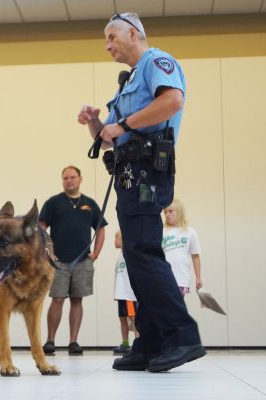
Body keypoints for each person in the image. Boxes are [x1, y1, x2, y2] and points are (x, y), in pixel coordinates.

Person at [77, 12, 205, 372]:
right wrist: (95, 124)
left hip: (149, 173)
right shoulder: (127, 82)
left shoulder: (157, 62)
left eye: (112, 37)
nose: (107, 45)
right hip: (129, 174)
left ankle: (182, 336)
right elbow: (108, 140)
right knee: (137, 258)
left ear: (133, 33)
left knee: (145, 253)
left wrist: (124, 125)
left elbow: (172, 103)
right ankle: (149, 342)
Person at [39, 165, 107, 355]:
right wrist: (48, 253)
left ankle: (73, 341)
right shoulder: (53, 203)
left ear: (80, 179)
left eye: (72, 177)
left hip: (83, 261)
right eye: (65, 178)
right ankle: (50, 341)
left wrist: (96, 253)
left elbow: (101, 229)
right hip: (58, 263)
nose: (69, 181)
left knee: (77, 300)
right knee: (57, 299)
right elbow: (41, 229)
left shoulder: (89, 203)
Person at [162, 199, 203, 297]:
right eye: (165, 212)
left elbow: (195, 256)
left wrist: (198, 277)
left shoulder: (190, 232)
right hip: (164, 277)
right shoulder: (161, 231)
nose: (167, 214)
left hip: (182, 278)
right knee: (166, 307)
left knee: (178, 307)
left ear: (179, 212)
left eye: (170, 211)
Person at [112, 231, 138, 354]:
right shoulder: (120, 256)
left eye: (116, 239)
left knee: (133, 318)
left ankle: (139, 342)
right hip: (120, 294)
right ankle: (125, 343)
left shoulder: (131, 255)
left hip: (129, 294)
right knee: (122, 318)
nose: (114, 241)